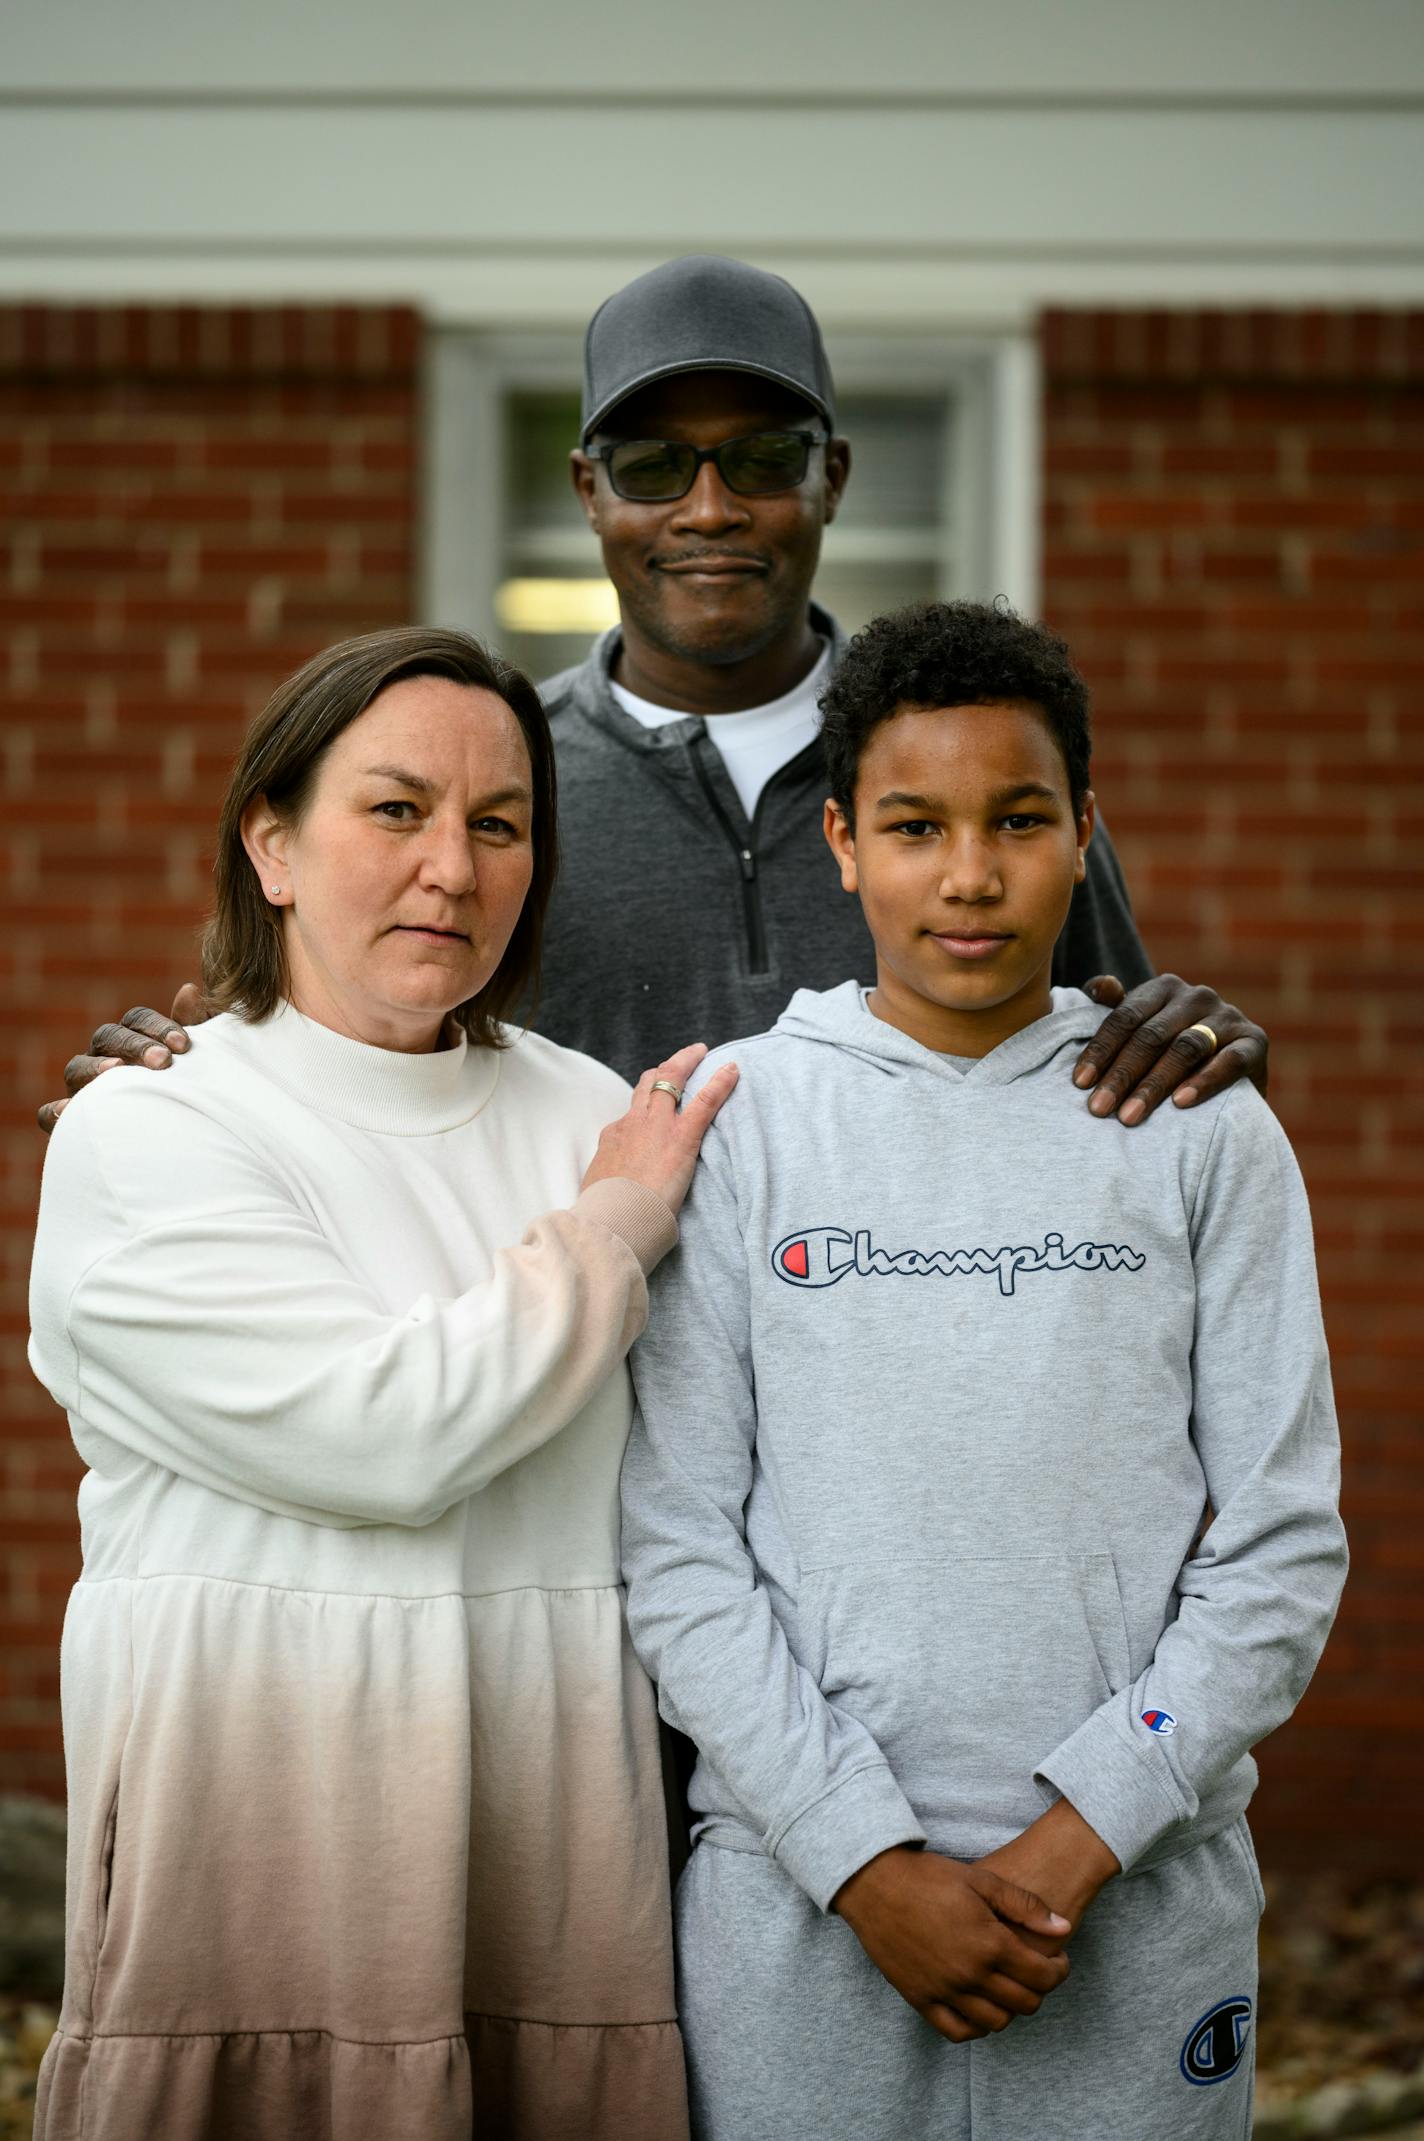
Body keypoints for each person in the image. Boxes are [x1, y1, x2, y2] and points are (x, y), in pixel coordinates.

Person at [620, 600, 1347, 2141]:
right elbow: (678, 1551)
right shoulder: (740, 1129)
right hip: (804, 1911)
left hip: (1137, 1909)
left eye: (1018, 819)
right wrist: (866, 1862)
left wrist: (1083, 1834)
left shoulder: (1202, 1133)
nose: (967, 874)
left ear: (1085, 830)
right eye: (913, 825)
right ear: (839, 844)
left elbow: (1280, 1549)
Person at [27, 625, 741, 2141]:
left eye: (500, 825)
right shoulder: (152, 1130)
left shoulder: (594, 1113)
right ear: (270, 842)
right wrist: (610, 1233)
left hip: (548, 1829)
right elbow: (384, 1439)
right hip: (260, 1816)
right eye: (396, 810)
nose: (455, 869)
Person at [40, 255, 1268, 1128]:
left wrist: (1196, 1051)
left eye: (763, 457)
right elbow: (313, 1038)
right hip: (577, 1417)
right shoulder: (501, 791)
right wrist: (188, 1081)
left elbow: (1121, 1063)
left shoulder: (955, 784)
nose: (709, 507)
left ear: (830, 476)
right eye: (650, 464)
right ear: (587, 491)